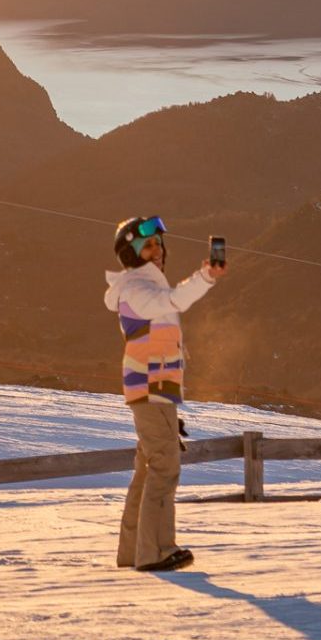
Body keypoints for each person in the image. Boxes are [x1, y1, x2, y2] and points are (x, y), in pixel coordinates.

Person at [103, 214, 226, 571]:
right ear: (130, 254)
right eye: (148, 245)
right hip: (150, 385)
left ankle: (132, 552)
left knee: (147, 467)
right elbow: (175, 301)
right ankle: (155, 552)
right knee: (164, 467)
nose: (157, 251)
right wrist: (205, 277)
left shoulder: (144, 286)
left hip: (155, 387)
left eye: (159, 244)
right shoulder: (138, 289)